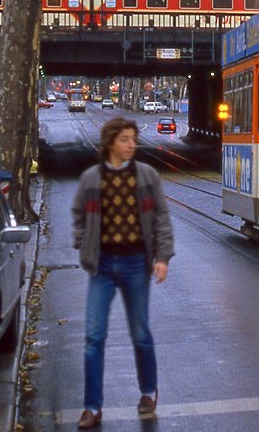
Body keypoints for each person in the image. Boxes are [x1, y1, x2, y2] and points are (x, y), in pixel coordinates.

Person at [72, 117, 174, 429]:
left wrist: (162, 257)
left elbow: (161, 217)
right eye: (125, 139)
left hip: (135, 264)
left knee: (140, 333)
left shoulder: (146, 176)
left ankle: (147, 392)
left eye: (133, 139)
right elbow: (78, 215)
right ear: (110, 143)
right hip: (102, 265)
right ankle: (92, 407)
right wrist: (84, 245)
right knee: (94, 336)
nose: (132, 145)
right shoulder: (92, 179)